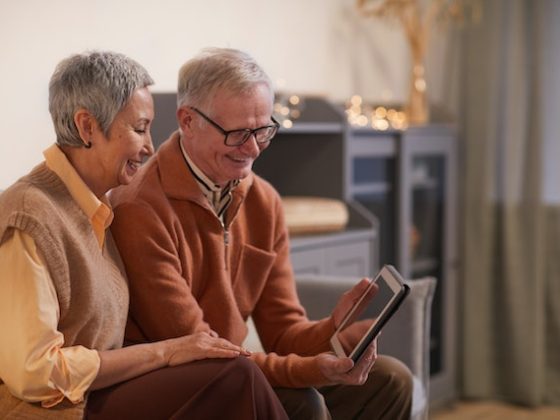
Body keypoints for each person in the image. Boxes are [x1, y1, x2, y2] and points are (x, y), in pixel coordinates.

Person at [110, 47, 413, 419]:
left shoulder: (263, 201)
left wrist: (336, 328)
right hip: (183, 384)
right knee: (303, 401)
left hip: (237, 370)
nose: (253, 149)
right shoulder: (140, 208)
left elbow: (284, 333)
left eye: (263, 130)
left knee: (391, 381)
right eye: (238, 133)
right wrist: (312, 370)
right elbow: (206, 352)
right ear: (188, 121)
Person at [0, 50, 288, 420]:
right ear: (87, 127)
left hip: (101, 393)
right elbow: (34, 373)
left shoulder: (94, 209)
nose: (150, 146)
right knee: (234, 377)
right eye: (139, 129)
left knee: (249, 385)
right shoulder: (29, 216)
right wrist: (165, 352)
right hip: (57, 410)